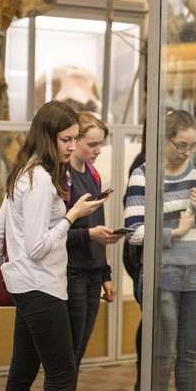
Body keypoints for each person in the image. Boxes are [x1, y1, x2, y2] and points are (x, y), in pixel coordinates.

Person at [0, 100, 108, 391]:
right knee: (63, 374)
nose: (71, 146)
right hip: (40, 285)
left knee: (23, 372)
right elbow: (37, 248)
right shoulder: (40, 179)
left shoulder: (27, 169)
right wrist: (72, 216)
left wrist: (0, 259)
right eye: (65, 140)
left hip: (29, 283)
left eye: (73, 138)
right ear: (47, 136)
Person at [124, 110, 196, 391]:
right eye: (181, 145)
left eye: (193, 146)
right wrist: (174, 232)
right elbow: (134, 232)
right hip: (163, 273)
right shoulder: (143, 176)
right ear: (165, 140)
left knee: (190, 356)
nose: (187, 152)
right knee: (163, 356)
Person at [66, 112, 123, 374]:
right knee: (69, 356)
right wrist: (90, 235)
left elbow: (95, 225)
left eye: (101, 144)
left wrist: (105, 274)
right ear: (73, 140)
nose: (98, 150)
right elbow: (55, 233)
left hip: (92, 270)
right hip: (71, 271)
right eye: (92, 144)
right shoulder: (62, 176)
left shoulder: (93, 174)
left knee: (78, 354)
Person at [122, 119, 146, 391]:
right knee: (149, 317)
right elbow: (135, 228)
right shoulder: (141, 166)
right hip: (140, 255)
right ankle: (144, 379)